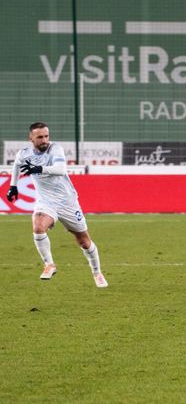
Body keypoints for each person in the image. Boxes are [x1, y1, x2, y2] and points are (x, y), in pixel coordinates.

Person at [6, 122, 108, 288]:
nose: (45, 140)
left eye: (47, 136)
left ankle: (97, 273)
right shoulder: (24, 153)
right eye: (40, 137)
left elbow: (60, 169)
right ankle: (49, 265)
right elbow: (17, 165)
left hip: (67, 202)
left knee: (84, 241)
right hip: (46, 201)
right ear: (31, 138)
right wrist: (13, 186)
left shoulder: (55, 149)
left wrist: (38, 168)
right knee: (38, 225)